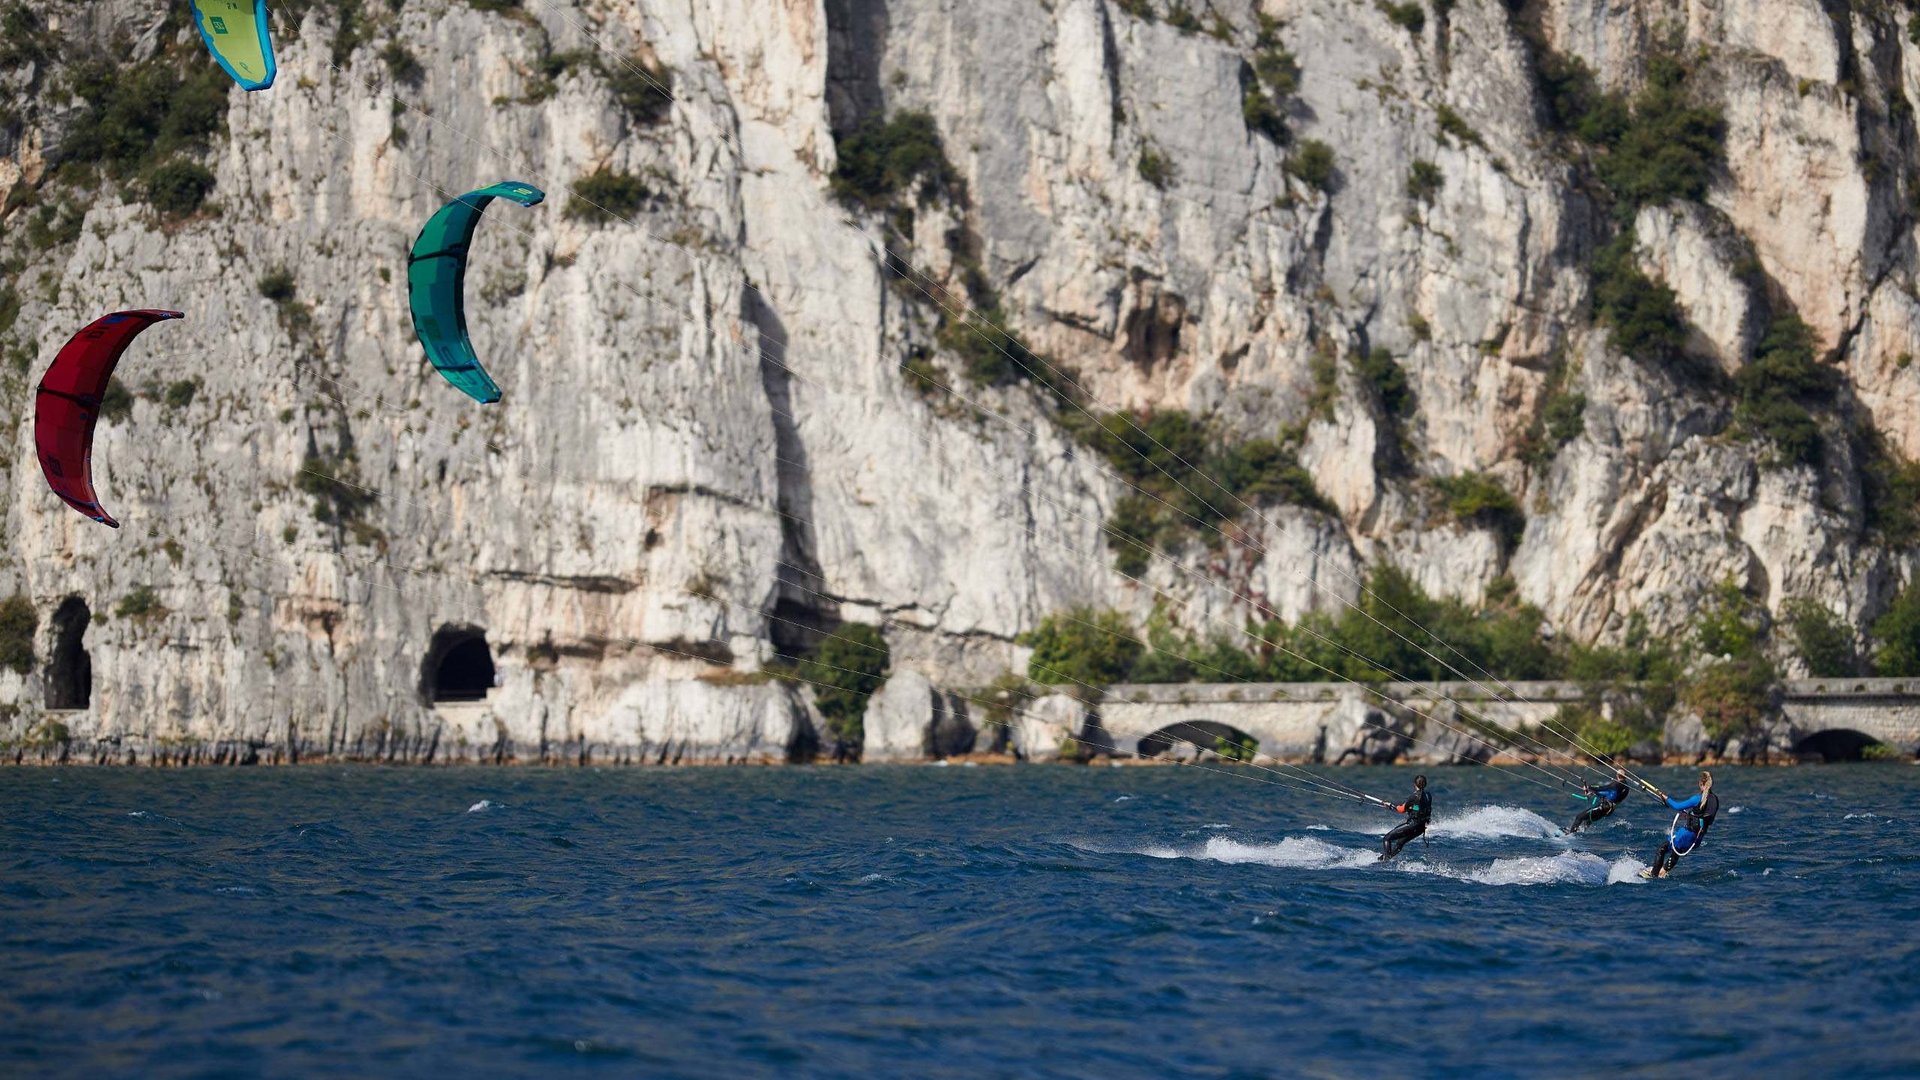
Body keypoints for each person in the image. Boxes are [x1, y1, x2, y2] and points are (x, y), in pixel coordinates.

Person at [1641, 770, 1719, 879]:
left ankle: (1653, 874)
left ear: (1700, 784)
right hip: (1698, 838)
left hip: (1687, 834)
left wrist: (1664, 797)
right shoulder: (1714, 800)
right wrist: (1689, 815)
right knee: (1676, 851)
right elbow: (1704, 817)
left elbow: (1677, 806)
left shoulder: (1697, 798)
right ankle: (1662, 872)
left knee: (1662, 849)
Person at [1380, 775, 1432, 861]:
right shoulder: (1428, 795)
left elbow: (1401, 809)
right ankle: (1383, 859)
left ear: (1414, 784)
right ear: (1425, 784)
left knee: (1387, 838)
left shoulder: (1414, 796)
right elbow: (1420, 808)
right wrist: (1411, 808)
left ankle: (1385, 861)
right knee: (1400, 843)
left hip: (1412, 825)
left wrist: (1391, 806)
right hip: (1420, 828)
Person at [1567, 767, 1631, 834]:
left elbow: (1603, 788)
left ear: (1617, 775)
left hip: (1603, 807)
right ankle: (1580, 833)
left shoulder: (1617, 784)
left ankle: (1571, 834)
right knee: (1587, 820)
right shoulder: (1626, 787)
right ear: (1625, 776)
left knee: (1579, 817)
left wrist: (1589, 787)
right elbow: (1611, 795)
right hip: (1608, 810)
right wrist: (1595, 793)